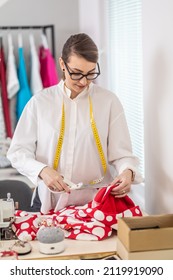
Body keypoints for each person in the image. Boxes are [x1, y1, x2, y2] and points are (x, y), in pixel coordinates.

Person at [7, 33, 142, 213]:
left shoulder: (109, 102)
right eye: (77, 73)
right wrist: (43, 171)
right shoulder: (39, 103)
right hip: (50, 202)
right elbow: (17, 152)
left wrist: (127, 172)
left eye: (90, 73)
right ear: (62, 64)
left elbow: (122, 155)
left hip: (97, 205)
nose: (84, 81)